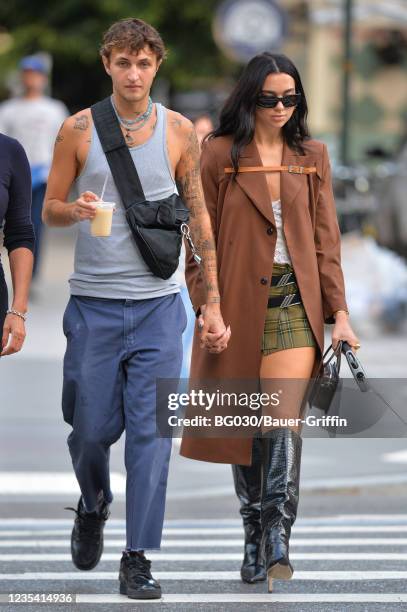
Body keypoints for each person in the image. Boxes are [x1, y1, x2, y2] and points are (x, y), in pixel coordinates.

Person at [42, 18, 229, 601]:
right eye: (123, 62)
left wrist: (213, 302)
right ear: (107, 64)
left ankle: (138, 556)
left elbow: (199, 220)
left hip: (158, 307)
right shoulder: (76, 129)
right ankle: (94, 502)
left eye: (144, 63)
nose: (133, 72)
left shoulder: (178, 131)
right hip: (93, 305)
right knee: (89, 431)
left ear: (156, 66)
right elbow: (48, 206)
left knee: (152, 437)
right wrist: (72, 212)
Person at [180, 53, 359, 592]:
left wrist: (341, 316)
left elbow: (328, 243)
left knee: (282, 418)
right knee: (247, 423)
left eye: (290, 98)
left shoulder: (312, 156)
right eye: (269, 98)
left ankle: (278, 532)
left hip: (293, 303)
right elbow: (196, 240)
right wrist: (206, 304)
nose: (281, 108)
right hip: (232, 302)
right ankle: (253, 532)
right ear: (249, 98)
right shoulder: (216, 155)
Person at [0, 55, 68, 279]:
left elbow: (64, 143)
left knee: (34, 225)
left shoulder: (54, 109)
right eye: (27, 74)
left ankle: (31, 273)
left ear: (43, 78)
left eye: (35, 74)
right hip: (14, 176)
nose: (31, 79)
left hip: (42, 175)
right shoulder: (9, 109)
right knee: (12, 225)